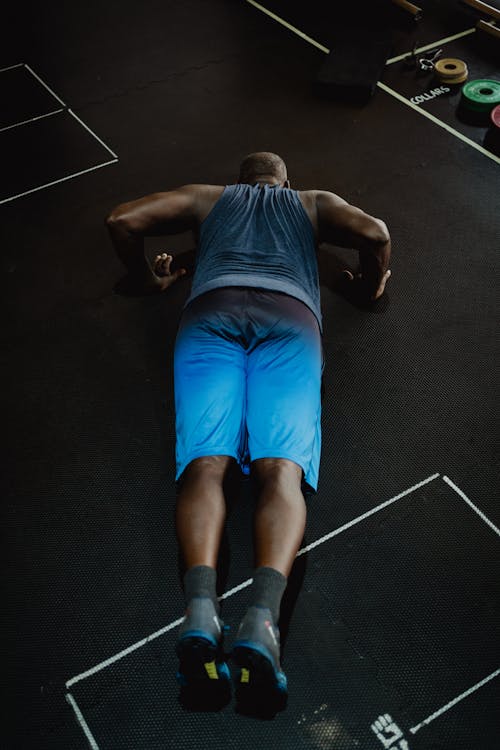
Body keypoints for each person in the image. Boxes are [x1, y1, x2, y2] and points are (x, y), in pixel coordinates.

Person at [106, 152, 391, 709]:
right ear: (288, 182)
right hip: (290, 321)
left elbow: (122, 220)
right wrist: (369, 288)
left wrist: (149, 277)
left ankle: (200, 609)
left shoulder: (207, 197)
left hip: (211, 312)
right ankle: (261, 619)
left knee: (205, 464)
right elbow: (375, 233)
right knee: (281, 471)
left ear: (239, 182)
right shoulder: (313, 202)